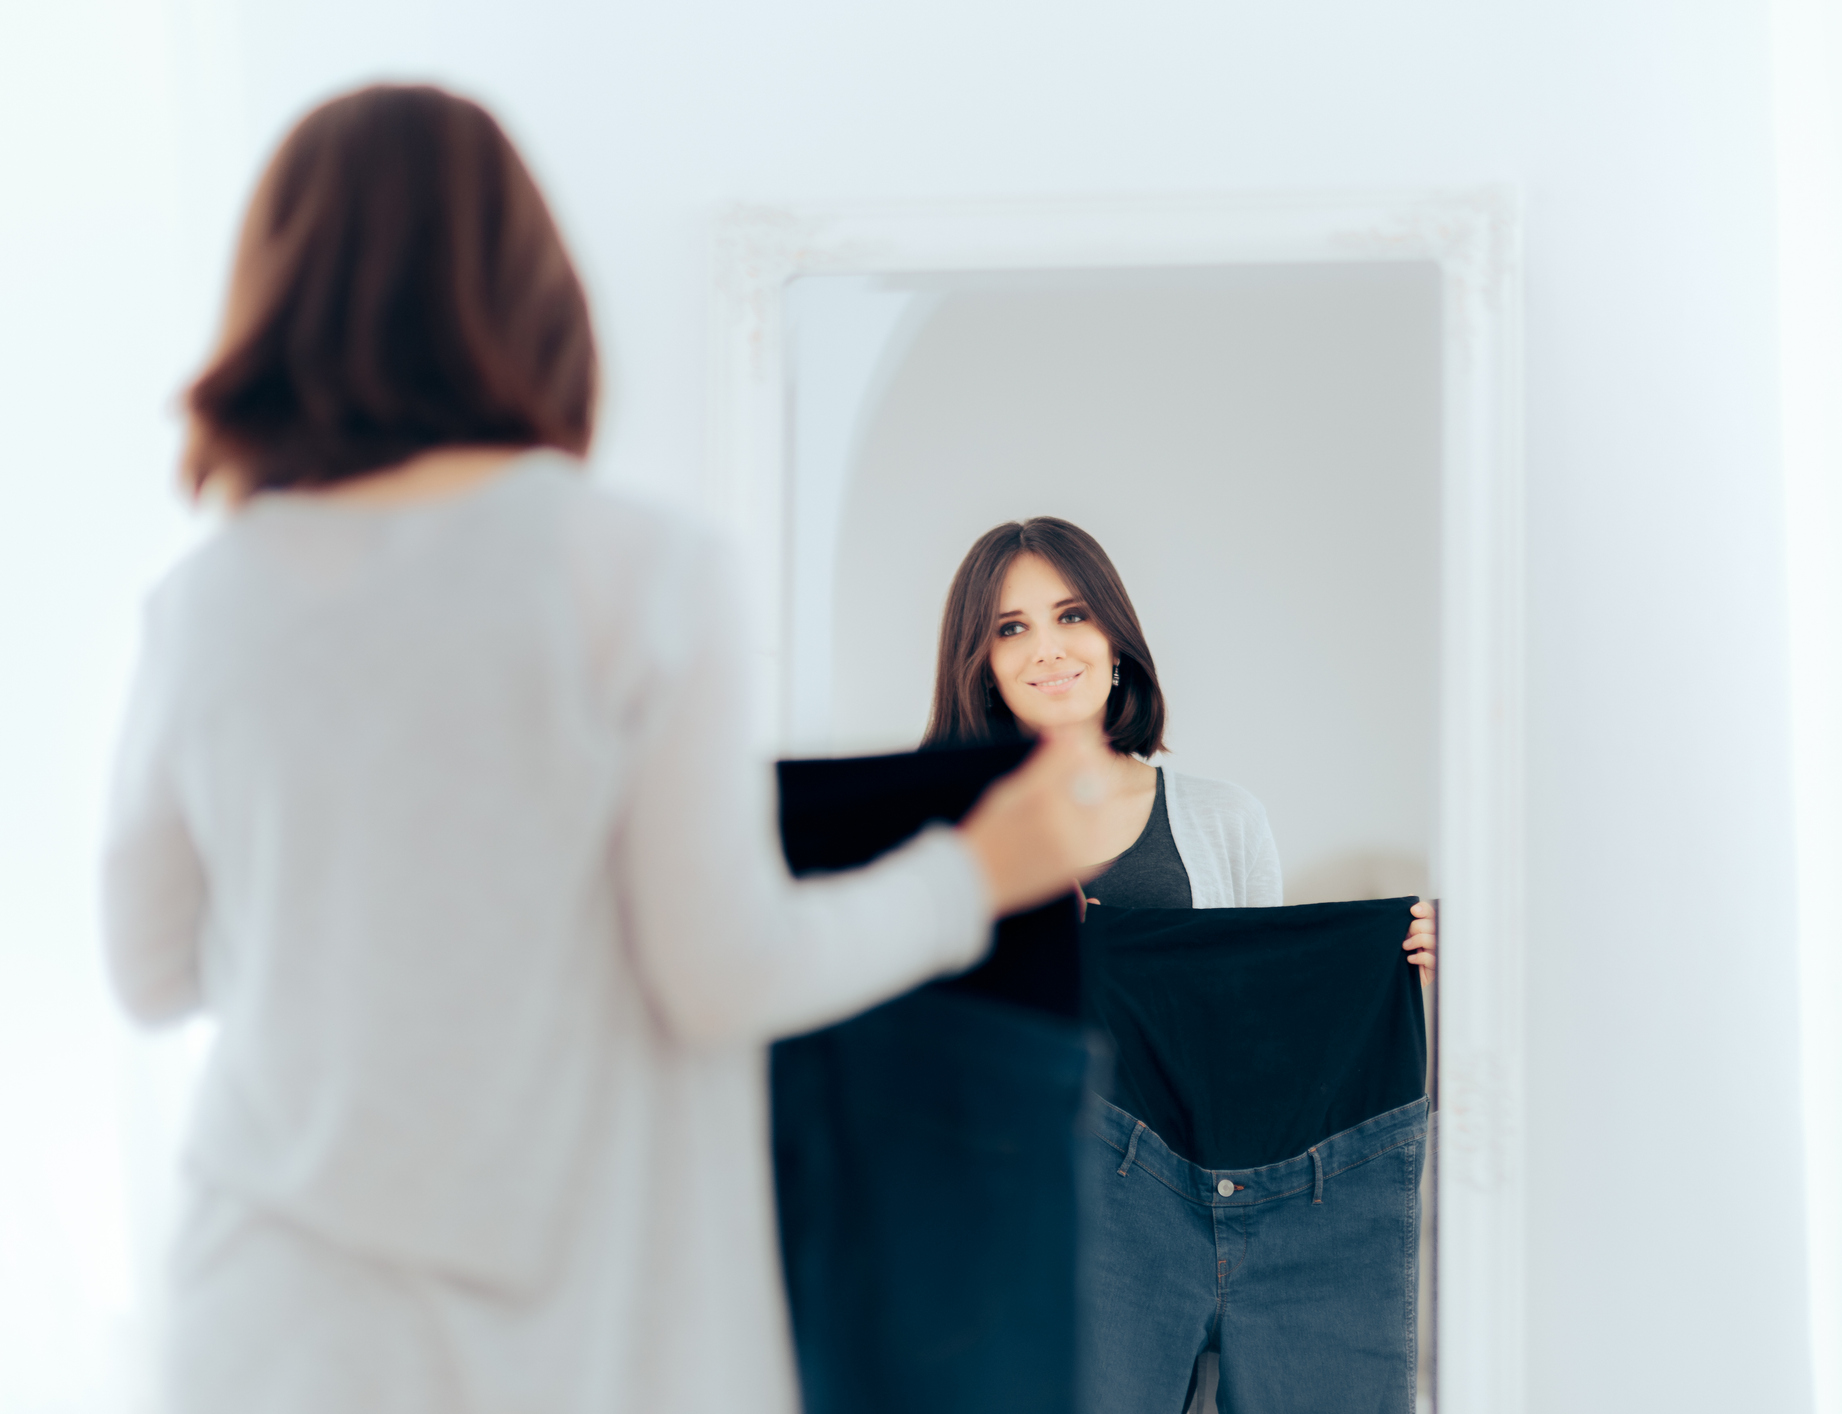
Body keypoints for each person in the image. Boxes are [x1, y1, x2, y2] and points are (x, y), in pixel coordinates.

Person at [99, 85, 1098, 1414]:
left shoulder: (210, 600)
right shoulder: (638, 573)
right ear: (526, 289)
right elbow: (720, 970)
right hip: (576, 1332)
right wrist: (970, 875)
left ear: (277, 298)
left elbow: (153, 969)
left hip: (271, 1326)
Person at [922, 517, 1438, 973]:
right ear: (983, 667)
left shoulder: (1228, 819)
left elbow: (1268, 1010)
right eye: (1011, 629)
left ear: (1115, 640)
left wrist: (1390, 964)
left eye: (1072, 615)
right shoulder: (935, 836)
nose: (1048, 650)